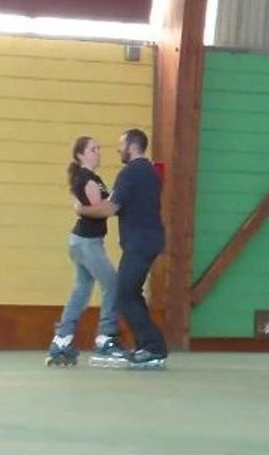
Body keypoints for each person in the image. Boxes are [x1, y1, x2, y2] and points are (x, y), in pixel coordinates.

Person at [75, 128, 167, 369]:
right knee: (131, 292)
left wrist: (81, 209)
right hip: (148, 240)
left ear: (133, 146)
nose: (118, 149)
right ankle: (147, 346)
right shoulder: (150, 172)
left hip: (139, 242)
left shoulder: (130, 174)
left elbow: (110, 208)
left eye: (121, 144)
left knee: (124, 293)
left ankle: (153, 348)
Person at [45, 136, 126, 367]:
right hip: (87, 242)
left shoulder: (93, 178)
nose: (98, 152)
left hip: (84, 241)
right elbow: (100, 210)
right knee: (112, 285)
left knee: (81, 289)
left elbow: (100, 204)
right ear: (80, 154)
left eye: (99, 148)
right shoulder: (85, 179)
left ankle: (62, 339)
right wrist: (117, 203)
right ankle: (106, 338)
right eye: (93, 149)